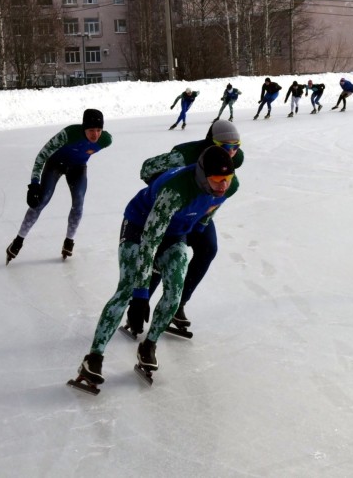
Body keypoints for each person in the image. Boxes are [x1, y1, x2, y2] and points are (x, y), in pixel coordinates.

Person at [73, 146, 235, 388]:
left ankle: (149, 345)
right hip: (140, 228)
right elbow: (149, 243)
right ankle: (93, 358)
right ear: (202, 176)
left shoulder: (227, 187)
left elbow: (209, 211)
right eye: (216, 179)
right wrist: (141, 296)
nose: (223, 186)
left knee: (175, 291)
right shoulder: (175, 191)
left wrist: (198, 229)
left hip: (174, 233)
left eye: (227, 179)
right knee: (126, 289)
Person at [134, 121, 243, 335]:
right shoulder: (185, 155)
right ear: (211, 142)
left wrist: (203, 221)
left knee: (208, 249)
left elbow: (223, 191)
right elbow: (147, 168)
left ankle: (178, 305)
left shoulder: (235, 158)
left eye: (236, 146)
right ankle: (139, 302)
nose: (231, 152)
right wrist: (166, 188)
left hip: (198, 211)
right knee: (162, 253)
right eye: (225, 146)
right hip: (174, 208)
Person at [5, 109, 112, 264]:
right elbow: (42, 156)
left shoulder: (106, 140)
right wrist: (34, 184)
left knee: (79, 202)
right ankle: (18, 241)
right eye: (90, 130)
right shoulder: (68, 134)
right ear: (83, 129)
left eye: (98, 130)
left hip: (77, 168)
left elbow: (87, 148)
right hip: (55, 165)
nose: (95, 135)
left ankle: (69, 241)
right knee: (41, 201)